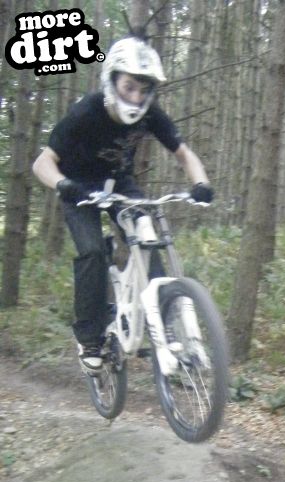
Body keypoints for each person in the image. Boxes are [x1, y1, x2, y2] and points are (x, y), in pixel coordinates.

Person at [32, 35, 213, 373]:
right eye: (129, 87)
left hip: (120, 184)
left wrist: (201, 183)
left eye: (144, 90)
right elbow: (42, 163)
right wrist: (62, 184)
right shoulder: (85, 112)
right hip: (79, 188)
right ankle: (90, 338)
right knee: (92, 252)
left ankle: (169, 327)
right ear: (112, 80)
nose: (136, 96)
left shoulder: (150, 115)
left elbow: (184, 153)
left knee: (149, 236)